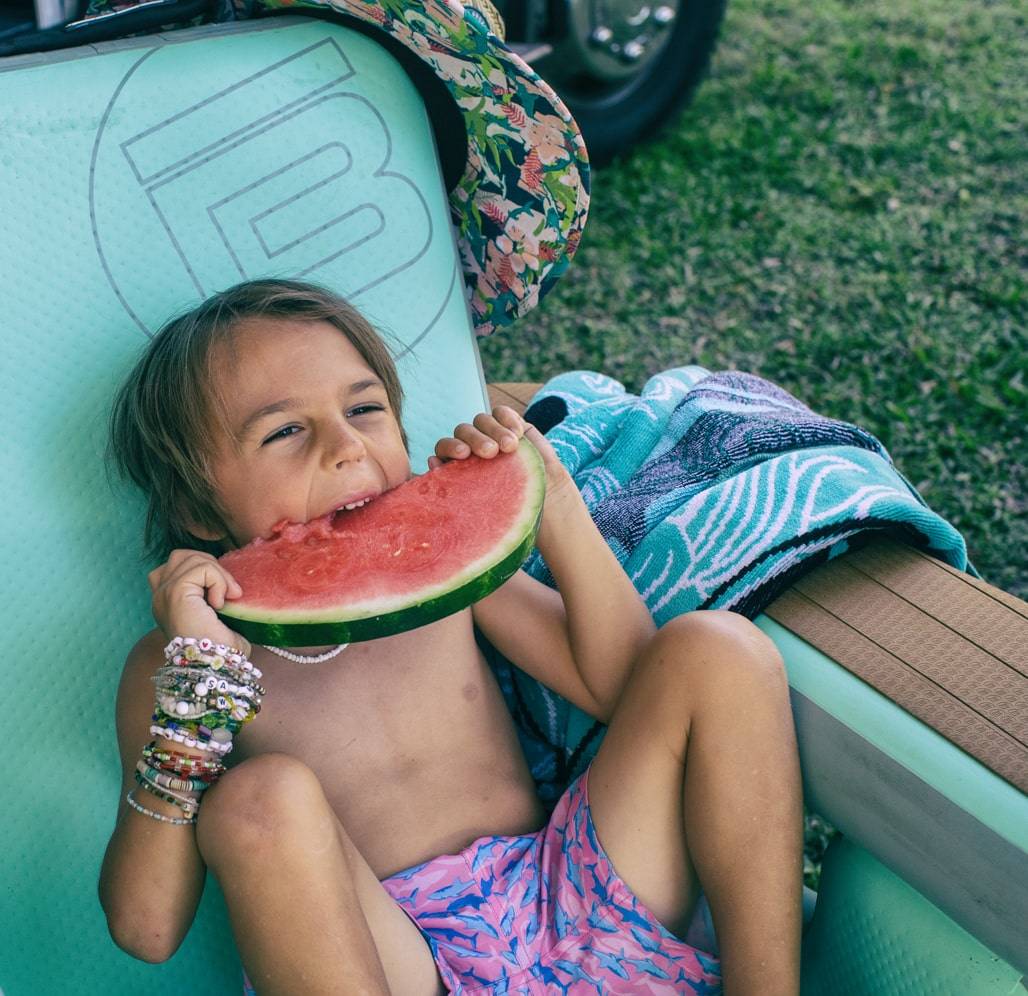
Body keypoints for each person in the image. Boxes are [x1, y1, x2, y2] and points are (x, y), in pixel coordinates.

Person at [98, 278, 803, 995]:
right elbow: (146, 925)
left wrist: (552, 502)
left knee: (717, 649)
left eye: (365, 408)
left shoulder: (442, 579)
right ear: (196, 505)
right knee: (260, 799)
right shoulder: (174, 665)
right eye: (284, 431)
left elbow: (625, 684)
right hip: (394, 962)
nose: (346, 447)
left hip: (573, 895)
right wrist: (202, 679)